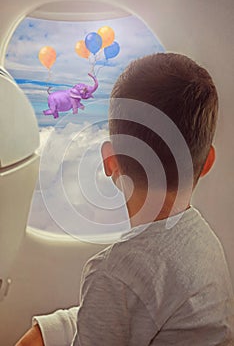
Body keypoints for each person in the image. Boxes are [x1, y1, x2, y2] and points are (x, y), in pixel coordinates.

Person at [16, 53, 234, 346]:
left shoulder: (115, 274)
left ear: (110, 162)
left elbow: (125, 304)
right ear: (207, 163)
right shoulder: (204, 241)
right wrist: (50, 330)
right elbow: (134, 313)